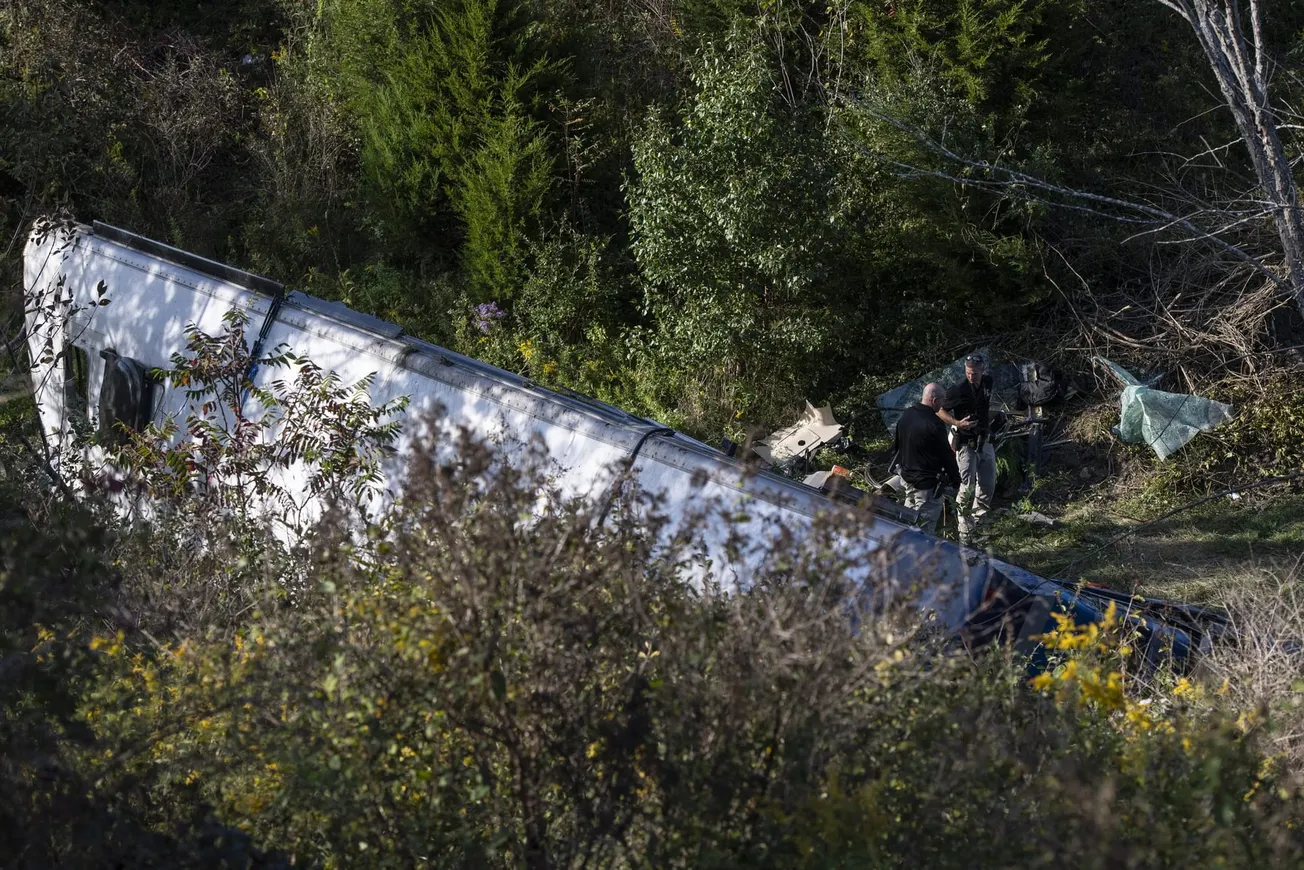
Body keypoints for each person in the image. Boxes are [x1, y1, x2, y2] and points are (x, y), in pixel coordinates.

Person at [938, 354, 996, 544]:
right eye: (968, 373)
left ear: (982, 371)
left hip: (984, 439)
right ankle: (965, 530)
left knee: (988, 483)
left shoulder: (988, 382)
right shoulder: (958, 389)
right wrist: (957, 423)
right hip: (965, 443)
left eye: (975, 373)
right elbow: (939, 410)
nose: (971, 376)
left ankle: (980, 521)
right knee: (967, 487)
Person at [893, 382, 961, 535]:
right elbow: (946, 455)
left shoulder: (907, 414)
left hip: (907, 478)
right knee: (923, 531)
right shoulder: (934, 423)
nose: (943, 404)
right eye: (942, 400)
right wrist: (955, 479)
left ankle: (902, 547)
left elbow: (897, 445)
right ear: (935, 400)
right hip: (926, 486)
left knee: (907, 523)